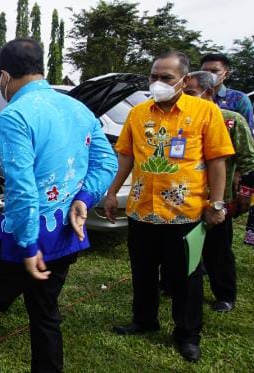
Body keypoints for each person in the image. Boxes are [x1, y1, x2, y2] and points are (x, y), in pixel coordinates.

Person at [0, 38, 117, 373]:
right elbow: (107, 163)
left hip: (26, 240)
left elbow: (21, 188)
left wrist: (29, 243)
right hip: (65, 233)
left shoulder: (14, 115)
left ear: (3, 75)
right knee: (45, 312)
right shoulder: (78, 108)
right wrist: (84, 199)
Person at [104, 52, 234, 363]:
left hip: (184, 213)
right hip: (142, 209)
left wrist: (216, 203)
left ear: (185, 80)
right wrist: (111, 193)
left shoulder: (205, 112)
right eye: (153, 76)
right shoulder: (138, 114)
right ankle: (144, 319)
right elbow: (126, 157)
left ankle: (187, 334)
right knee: (143, 271)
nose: (158, 83)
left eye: (166, 78)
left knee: (185, 277)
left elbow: (218, 161)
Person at [184, 71, 254, 313]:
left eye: (191, 93)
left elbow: (248, 161)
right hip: (183, 198)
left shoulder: (231, 120)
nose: (185, 98)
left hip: (217, 199)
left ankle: (224, 294)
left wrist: (243, 194)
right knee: (182, 248)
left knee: (218, 251)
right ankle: (173, 286)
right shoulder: (182, 119)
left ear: (208, 93)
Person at [200, 53, 254, 128]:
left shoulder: (239, 99)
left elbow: (248, 131)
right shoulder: (192, 97)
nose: (208, 74)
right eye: (204, 71)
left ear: (226, 74)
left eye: (214, 71)